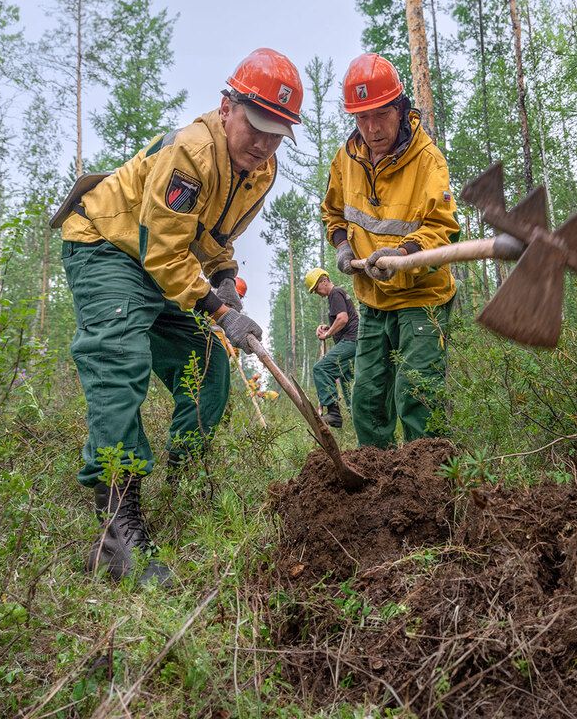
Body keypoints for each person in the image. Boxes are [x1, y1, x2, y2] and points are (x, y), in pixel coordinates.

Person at [56, 48, 302, 584]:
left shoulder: (262, 171)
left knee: (209, 363)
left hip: (163, 260)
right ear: (227, 107)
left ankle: (187, 481)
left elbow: (212, 237)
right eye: (255, 125)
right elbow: (164, 252)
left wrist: (224, 283)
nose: (262, 143)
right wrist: (215, 304)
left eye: (276, 133)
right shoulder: (192, 153)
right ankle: (117, 532)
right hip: (108, 247)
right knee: (120, 356)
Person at [321, 53, 459, 448]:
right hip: (373, 299)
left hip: (422, 296)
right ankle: (379, 488)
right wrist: (343, 247)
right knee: (366, 398)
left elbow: (442, 227)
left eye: (380, 114)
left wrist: (403, 255)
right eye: (361, 118)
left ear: (400, 109)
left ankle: (431, 486)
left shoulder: (427, 161)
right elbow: (332, 213)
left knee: (416, 396)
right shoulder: (345, 160)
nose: (372, 128)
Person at [304, 268, 358, 428]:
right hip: (353, 341)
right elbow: (343, 321)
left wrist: (327, 335)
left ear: (324, 281)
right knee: (349, 387)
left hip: (350, 341)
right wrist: (328, 328)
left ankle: (334, 414)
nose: (316, 293)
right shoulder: (337, 295)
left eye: (316, 289)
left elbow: (342, 319)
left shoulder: (335, 293)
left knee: (321, 369)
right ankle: (359, 426)